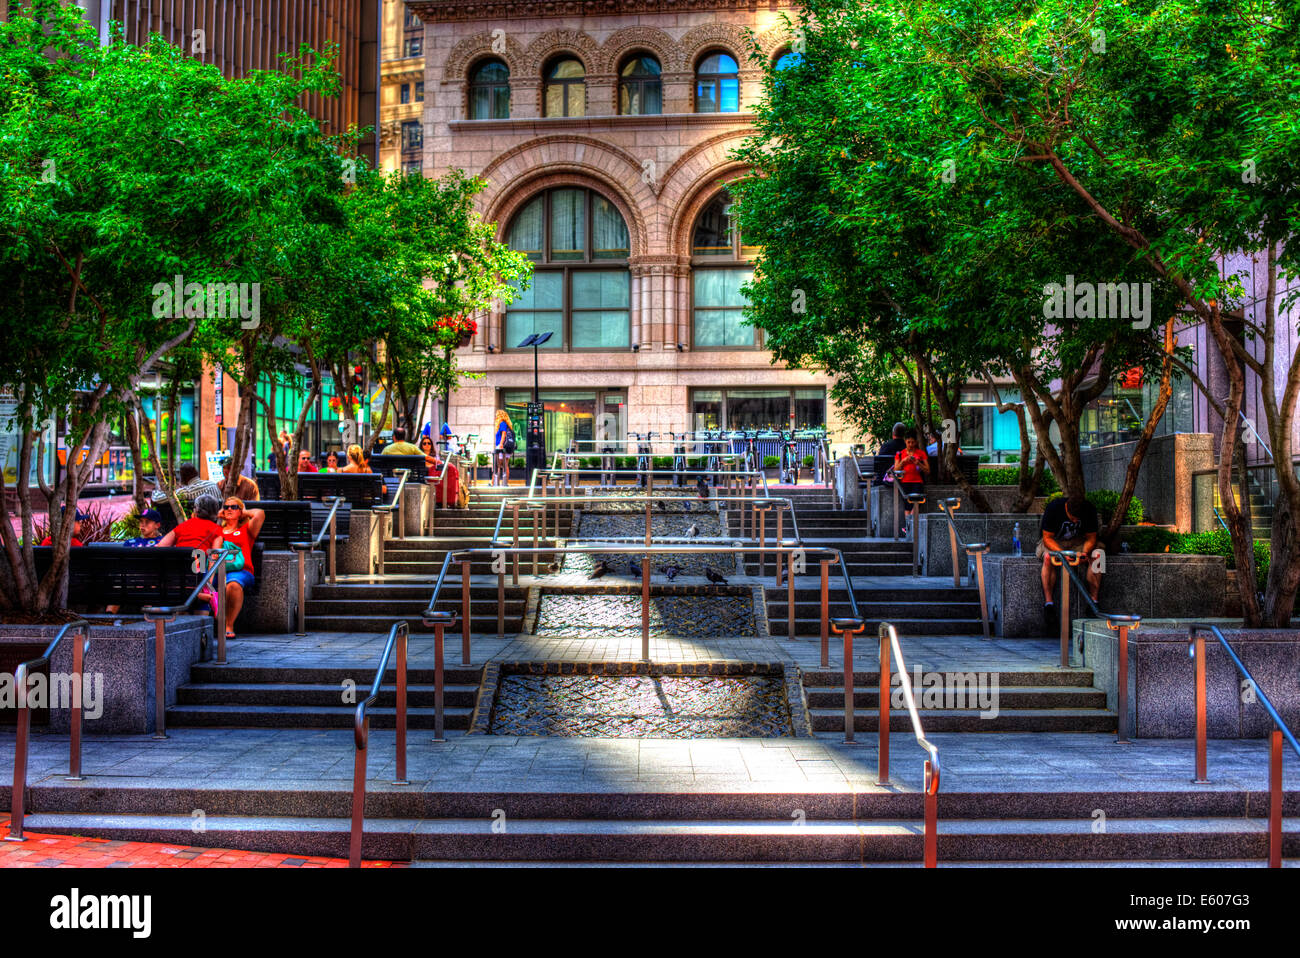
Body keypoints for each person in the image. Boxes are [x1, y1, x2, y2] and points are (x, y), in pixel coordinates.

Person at [1038, 494, 1104, 633]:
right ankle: (1049, 603)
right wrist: (1062, 553)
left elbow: (1092, 537)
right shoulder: (1054, 508)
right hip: (1055, 541)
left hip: (1080, 542)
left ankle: (1094, 601)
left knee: (1099, 556)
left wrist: (1085, 552)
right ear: (1067, 508)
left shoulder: (1089, 509)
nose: (1075, 521)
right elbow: (1047, 538)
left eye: (1077, 519)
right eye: (1072, 517)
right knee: (1048, 558)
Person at [216, 496, 265, 640]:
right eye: (226, 507)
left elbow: (260, 513)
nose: (229, 509)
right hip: (217, 570)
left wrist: (245, 512)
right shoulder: (217, 529)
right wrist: (217, 517)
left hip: (241, 571)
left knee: (233, 585)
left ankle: (228, 625)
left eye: (234, 507)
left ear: (240, 510)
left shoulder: (245, 529)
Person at [152, 463, 220, 504]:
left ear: (183, 478)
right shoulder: (212, 484)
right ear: (196, 473)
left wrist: (156, 491)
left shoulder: (187, 491)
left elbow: (157, 498)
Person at [493, 410, 514, 486]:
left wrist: (501, 444)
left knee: (497, 465)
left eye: (496, 415)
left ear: (500, 416)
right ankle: (505, 483)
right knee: (505, 465)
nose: (495, 417)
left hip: (501, 447)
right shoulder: (507, 424)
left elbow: (504, 433)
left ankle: (494, 483)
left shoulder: (502, 423)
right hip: (507, 447)